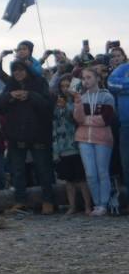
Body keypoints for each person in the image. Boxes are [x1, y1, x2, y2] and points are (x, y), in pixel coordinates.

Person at [0, 54, 55, 215]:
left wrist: (30, 95)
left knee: (43, 169)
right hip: (16, 135)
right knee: (17, 171)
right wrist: (10, 96)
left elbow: (47, 105)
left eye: (21, 70)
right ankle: (20, 201)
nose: (18, 73)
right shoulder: (10, 85)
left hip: (38, 134)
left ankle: (48, 200)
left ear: (27, 70)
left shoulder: (39, 82)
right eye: (15, 70)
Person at [73, 66, 116, 216]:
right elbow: (78, 119)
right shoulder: (82, 97)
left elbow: (105, 119)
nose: (85, 81)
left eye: (89, 77)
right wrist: (78, 104)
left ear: (97, 78)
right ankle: (97, 203)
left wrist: (86, 120)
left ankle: (103, 204)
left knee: (102, 171)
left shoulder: (107, 96)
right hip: (84, 138)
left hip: (102, 138)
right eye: (83, 78)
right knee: (90, 173)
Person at [52, 75, 90, 215]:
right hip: (62, 147)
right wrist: (55, 149)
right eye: (62, 86)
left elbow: (76, 118)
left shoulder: (78, 100)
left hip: (76, 145)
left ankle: (88, 206)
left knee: (81, 179)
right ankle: (72, 206)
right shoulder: (56, 104)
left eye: (67, 85)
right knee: (68, 180)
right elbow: (54, 126)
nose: (65, 89)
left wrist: (67, 105)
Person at [106, 48, 129, 201]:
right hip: (124, 124)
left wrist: (124, 88)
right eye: (113, 56)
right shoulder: (121, 70)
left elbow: (119, 86)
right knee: (126, 164)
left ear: (124, 56)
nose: (116, 58)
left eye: (118, 55)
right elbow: (112, 84)